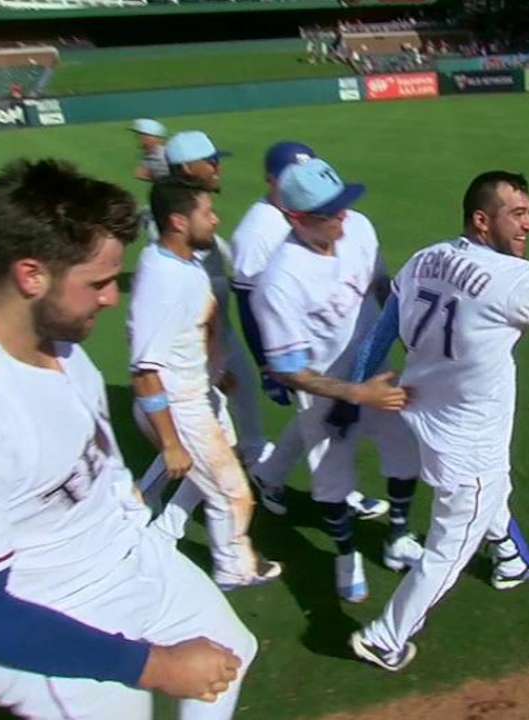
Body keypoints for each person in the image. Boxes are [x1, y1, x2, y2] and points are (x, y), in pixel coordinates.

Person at [0, 158, 255, 717]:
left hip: (130, 557)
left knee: (231, 657)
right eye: (98, 282)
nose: (111, 298)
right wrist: (156, 666)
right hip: (53, 614)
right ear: (32, 275)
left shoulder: (54, 337)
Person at [350, 171, 529, 671]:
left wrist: (360, 384)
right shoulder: (515, 280)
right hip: (467, 444)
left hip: (424, 414)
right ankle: (385, 637)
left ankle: (512, 562)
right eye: (518, 214)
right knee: (449, 548)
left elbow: (387, 324)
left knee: (492, 496)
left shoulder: (427, 256)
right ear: (482, 220)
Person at [251, 158, 423, 603]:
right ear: (298, 219)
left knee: (405, 455)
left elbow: (384, 288)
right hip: (324, 390)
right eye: (331, 213)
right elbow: (288, 370)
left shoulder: (359, 228)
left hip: (381, 372)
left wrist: (411, 346)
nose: (344, 217)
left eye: (344, 205)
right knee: (332, 481)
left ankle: (398, 537)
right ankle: (346, 555)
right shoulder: (280, 282)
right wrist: (353, 393)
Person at [130, 177, 281, 591]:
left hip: (199, 392)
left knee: (214, 476)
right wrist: (171, 440)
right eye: (206, 213)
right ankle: (233, 570)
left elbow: (190, 335)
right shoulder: (165, 278)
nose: (215, 220)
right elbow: (145, 368)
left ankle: (157, 529)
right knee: (232, 494)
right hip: (178, 406)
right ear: (179, 222)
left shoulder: (182, 264)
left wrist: (216, 373)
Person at [230, 141, 387, 520]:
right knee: (325, 423)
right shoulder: (257, 229)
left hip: (346, 338)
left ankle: (269, 475)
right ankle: (340, 497)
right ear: (272, 180)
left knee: (316, 419)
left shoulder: (333, 219)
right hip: (308, 350)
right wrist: (269, 368)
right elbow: (248, 304)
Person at [162, 131, 270, 469]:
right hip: (198, 342)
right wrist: (210, 361)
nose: (217, 167)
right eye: (210, 162)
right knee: (208, 427)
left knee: (245, 393)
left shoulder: (196, 211)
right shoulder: (173, 222)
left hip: (220, 332)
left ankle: (255, 457)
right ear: (187, 168)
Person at [131, 118, 169, 184]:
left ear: (150, 138)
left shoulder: (166, 156)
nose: (138, 139)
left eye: (140, 136)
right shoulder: (148, 155)